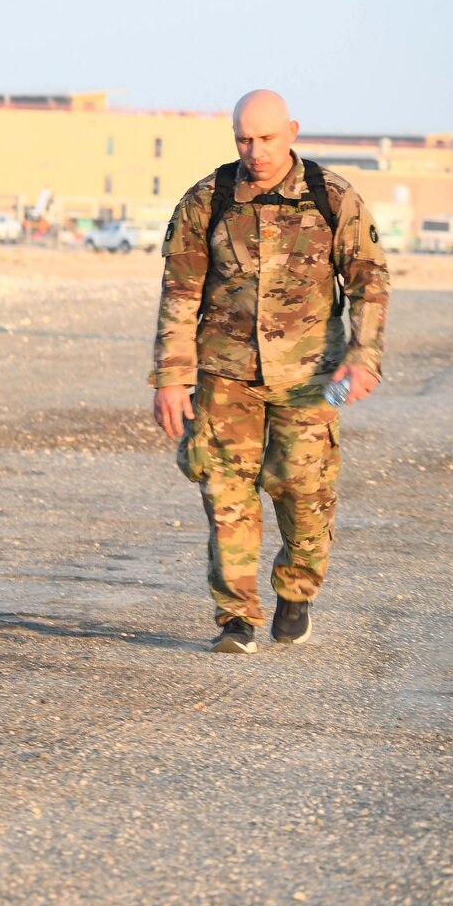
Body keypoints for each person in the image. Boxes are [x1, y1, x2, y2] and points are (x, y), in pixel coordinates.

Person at [151, 89, 388, 654]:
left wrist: (364, 356)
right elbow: (179, 292)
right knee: (224, 493)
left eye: (266, 138)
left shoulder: (333, 198)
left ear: (293, 132)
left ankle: (296, 592)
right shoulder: (208, 199)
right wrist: (169, 376)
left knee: (306, 491)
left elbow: (369, 280)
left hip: (316, 379)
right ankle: (236, 618)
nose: (254, 151)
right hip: (224, 375)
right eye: (243, 139)